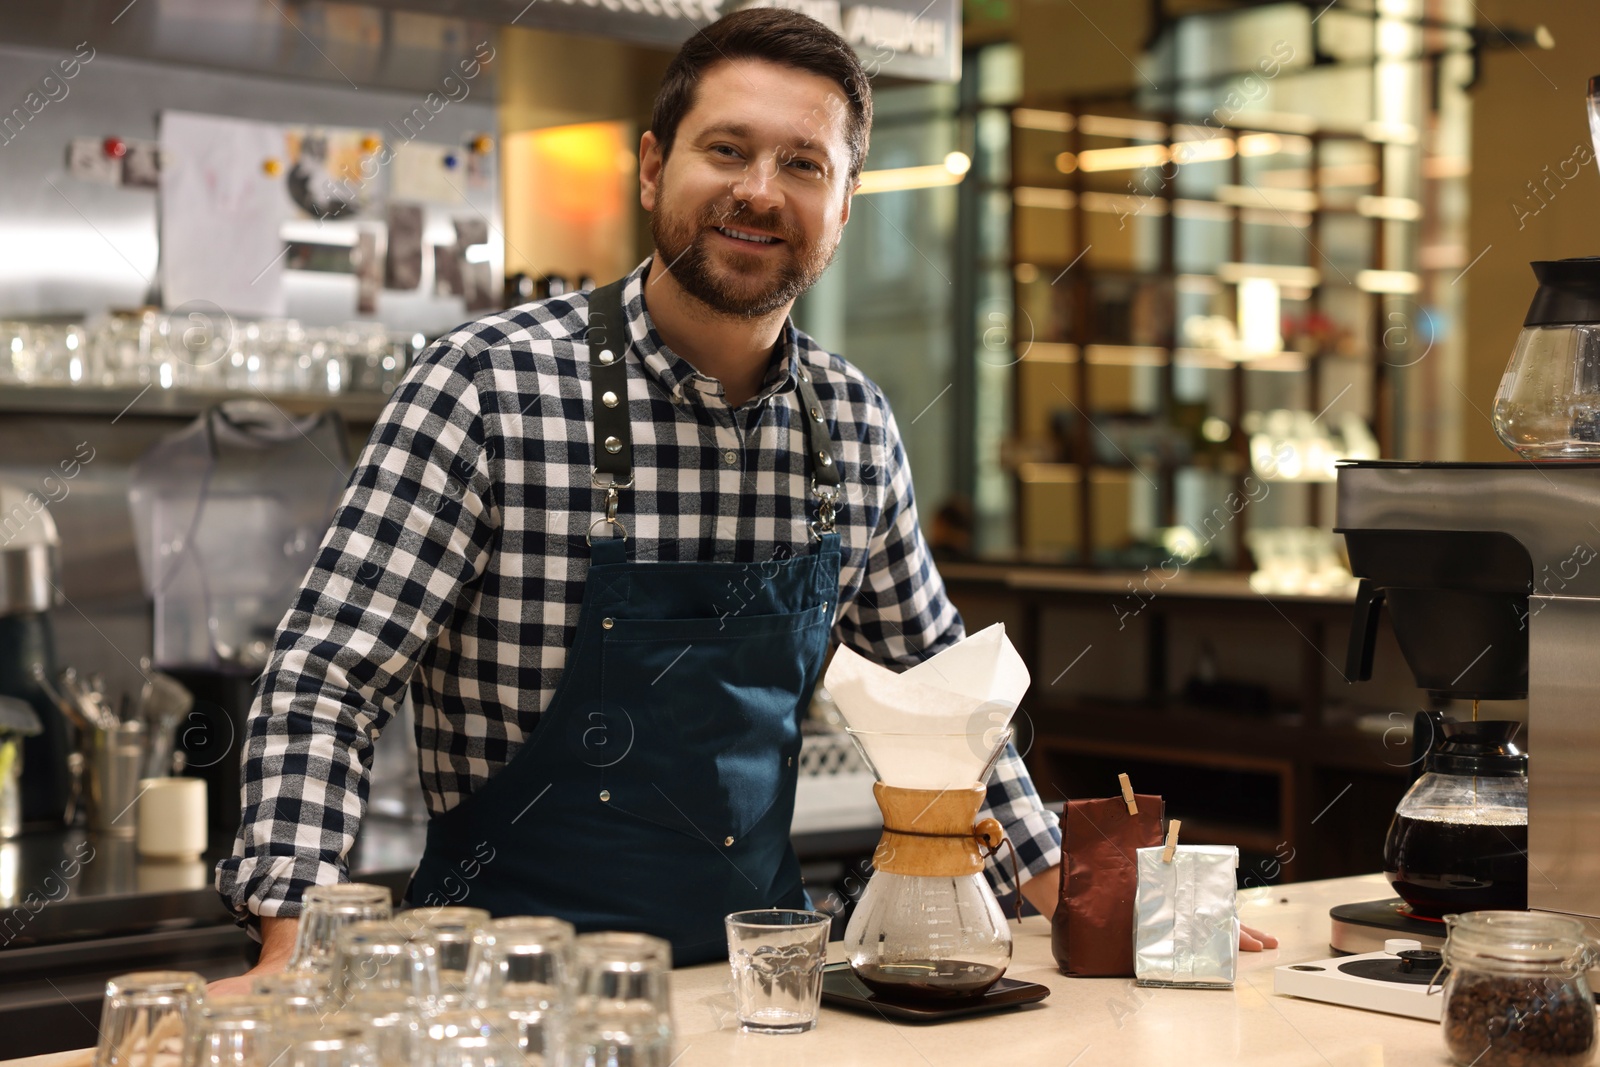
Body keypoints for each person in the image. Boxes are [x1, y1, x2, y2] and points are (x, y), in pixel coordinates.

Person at [211, 9, 1272, 991]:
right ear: (651, 165)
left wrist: (1083, 899)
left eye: (802, 164)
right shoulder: (486, 386)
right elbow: (327, 679)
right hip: (502, 1001)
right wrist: (291, 939)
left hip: (764, 993)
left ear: (845, 206)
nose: (760, 189)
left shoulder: (851, 425)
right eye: (727, 149)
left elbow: (945, 700)